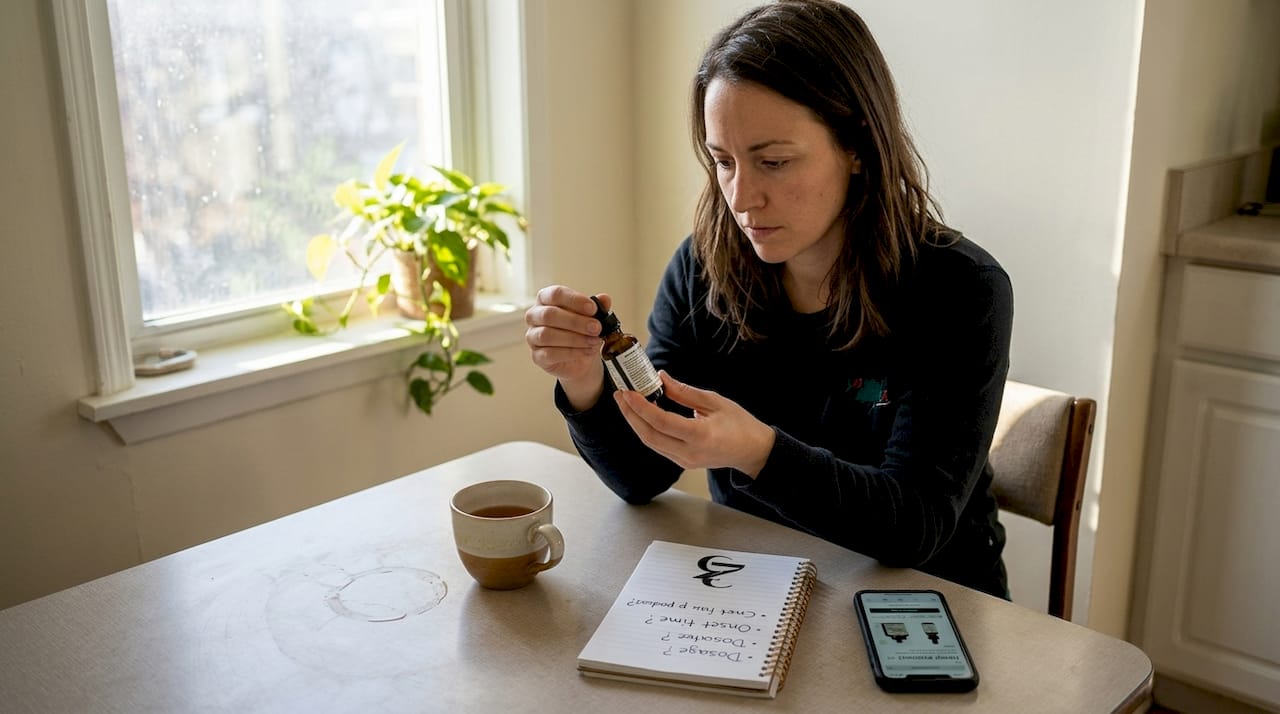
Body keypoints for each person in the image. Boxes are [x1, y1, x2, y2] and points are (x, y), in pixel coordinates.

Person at [524, 0, 1013, 599]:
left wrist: (758, 452)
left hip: (929, 601)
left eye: (774, 162)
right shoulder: (704, 266)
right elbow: (642, 475)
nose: (741, 198)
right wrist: (583, 380)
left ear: (857, 146)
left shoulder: (960, 289)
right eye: (723, 161)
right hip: (759, 587)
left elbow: (914, 526)